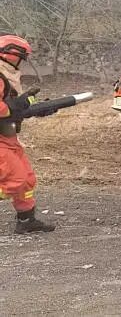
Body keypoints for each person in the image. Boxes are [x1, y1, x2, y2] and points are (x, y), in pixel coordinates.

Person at [0, 35, 56, 234]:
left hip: (8, 136)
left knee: (27, 179)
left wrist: (37, 109)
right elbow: (7, 108)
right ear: (12, 55)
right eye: (22, 58)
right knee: (15, 180)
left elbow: (15, 108)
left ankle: (26, 220)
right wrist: (15, 107)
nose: (22, 63)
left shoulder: (8, 76)